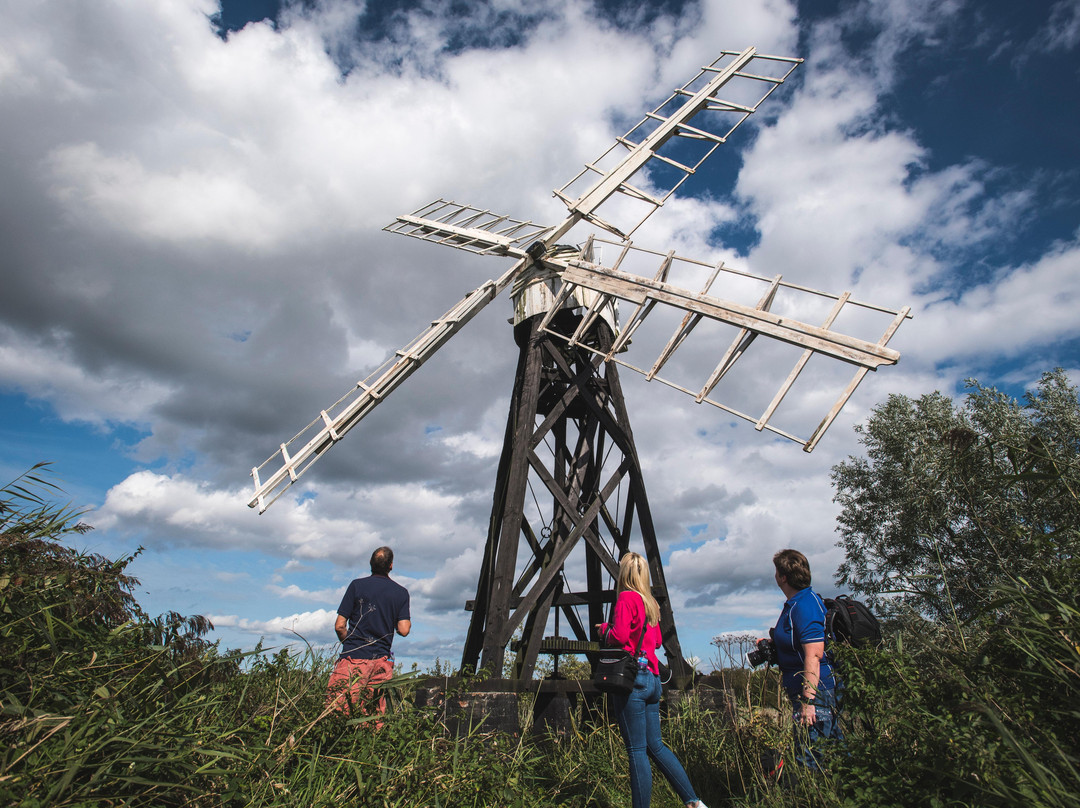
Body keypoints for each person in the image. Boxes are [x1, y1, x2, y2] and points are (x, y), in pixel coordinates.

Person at [597, 552, 708, 808]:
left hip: (632, 680)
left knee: (637, 751)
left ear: (623, 573)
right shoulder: (651, 603)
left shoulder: (626, 598)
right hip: (654, 680)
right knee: (655, 746)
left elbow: (620, 635)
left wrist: (605, 630)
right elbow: (657, 642)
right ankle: (693, 801)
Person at [771, 548, 842, 770]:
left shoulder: (805, 605)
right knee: (835, 753)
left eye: (776, 572)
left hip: (815, 693)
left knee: (809, 758)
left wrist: (808, 702)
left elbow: (813, 654)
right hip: (809, 692)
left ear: (783, 577)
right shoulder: (797, 603)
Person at [325, 546, 411, 719]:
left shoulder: (357, 586)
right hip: (380, 663)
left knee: (337, 714)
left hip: (351, 659)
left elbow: (339, 626)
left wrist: (350, 645)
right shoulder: (401, 593)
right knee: (372, 718)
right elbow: (404, 629)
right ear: (391, 566)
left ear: (371, 564)